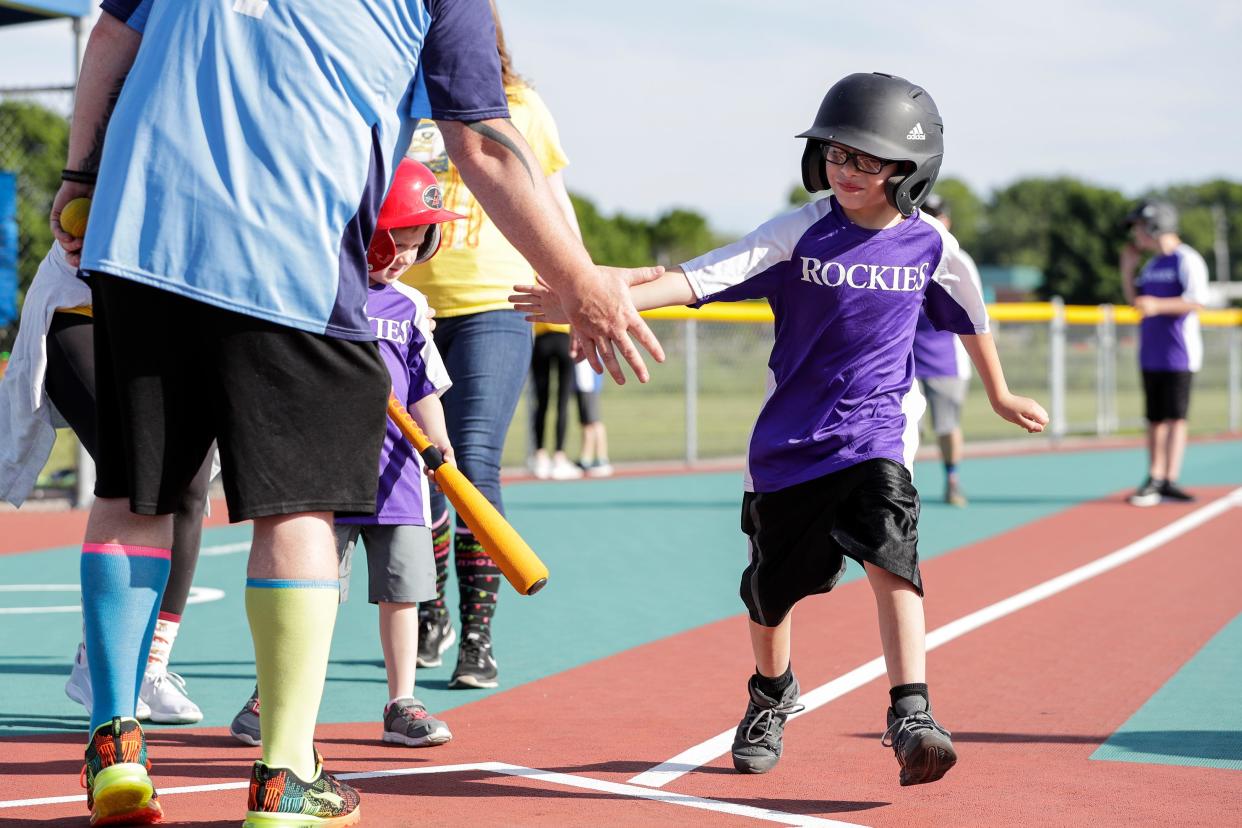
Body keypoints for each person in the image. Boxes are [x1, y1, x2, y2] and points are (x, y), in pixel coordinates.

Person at [52, 2, 663, 826]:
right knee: (298, 509)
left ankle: (114, 745)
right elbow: (480, 141)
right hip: (291, 254)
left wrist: (80, 177)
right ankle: (284, 776)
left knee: (135, 494)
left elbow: (112, 41)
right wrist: (580, 276)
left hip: (139, 229)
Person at [515, 72, 1048, 786]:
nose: (846, 169)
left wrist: (1000, 391)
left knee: (894, 559)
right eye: (836, 152)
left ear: (910, 170)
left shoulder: (931, 248)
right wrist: (591, 297)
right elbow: (696, 277)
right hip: (788, 450)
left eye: (867, 159)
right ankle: (771, 693)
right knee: (772, 593)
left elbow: (972, 314)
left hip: (875, 440)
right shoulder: (799, 231)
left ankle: (912, 710)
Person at [230, 160, 461, 750]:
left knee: (403, 592)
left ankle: (401, 701)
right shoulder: (322, 296)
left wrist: (439, 448)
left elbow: (426, 388)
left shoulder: (408, 309)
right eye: (398, 242)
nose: (406, 256)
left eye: (417, 244)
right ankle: (275, 695)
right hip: (325, 474)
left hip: (398, 479)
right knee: (308, 589)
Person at [403, 1, 586, 688]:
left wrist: (582, 286)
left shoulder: (521, 107)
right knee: (417, 473)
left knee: (471, 460)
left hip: (493, 304)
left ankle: (476, 634)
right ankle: (431, 609)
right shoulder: (392, 97)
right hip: (407, 310)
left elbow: (550, 198)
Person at [1120, 201, 1209, 506]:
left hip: (1179, 353)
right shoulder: (1152, 263)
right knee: (1155, 418)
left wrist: (1159, 306)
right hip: (1152, 352)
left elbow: (1197, 301)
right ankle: (1155, 476)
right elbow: (1137, 303)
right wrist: (1127, 270)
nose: (1136, 235)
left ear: (1156, 225)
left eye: (1140, 228)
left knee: (1175, 417)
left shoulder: (1186, 259)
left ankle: (1169, 477)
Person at [911, 194, 983, 506]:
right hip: (905, 358)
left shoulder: (957, 259)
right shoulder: (901, 252)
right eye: (924, 213)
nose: (931, 220)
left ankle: (952, 479)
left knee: (946, 425)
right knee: (902, 425)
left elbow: (976, 316)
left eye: (936, 214)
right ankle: (900, 486)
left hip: (946, 359)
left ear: (947, 220)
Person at [530, 322, 585, 480]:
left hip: (542, 340)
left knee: (541, 402)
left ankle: (540, 456)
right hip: (564, 340)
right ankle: (559, 457)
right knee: (563, 403)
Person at [575, 357, 614, 477]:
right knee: (587, 422)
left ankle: (601, 459)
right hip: (583, 383)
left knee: (593, 421)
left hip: (587, 382)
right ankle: (586, 458)